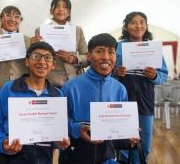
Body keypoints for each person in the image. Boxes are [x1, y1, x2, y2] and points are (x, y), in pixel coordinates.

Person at [0, 41, 70, 164]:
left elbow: (57, 134)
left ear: (53, 65)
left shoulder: (57, 95)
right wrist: (3, 142)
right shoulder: (9, 89)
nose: (42, 62)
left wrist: (59, 142)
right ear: (26, 61)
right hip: (11, 159)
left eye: (48, 58)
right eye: (36, 56)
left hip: (44, 159)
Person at [58, 33, 137, 164]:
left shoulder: (120, 89)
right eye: (99, 51)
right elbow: (59, 121)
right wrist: (77, 129)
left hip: (107, 154)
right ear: (88, 56)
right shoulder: (70, 87)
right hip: (74, 152)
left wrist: (128, 133)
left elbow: (120, 125)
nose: (106, 57)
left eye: (111, 52)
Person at [113, 11, 168, 164]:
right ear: (125, 26)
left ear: (146, 25)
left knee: (144, 141)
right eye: (133, 22)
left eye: (142, 22)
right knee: (122, 140)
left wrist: (155, 75)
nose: (138, 25)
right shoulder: (117, 48)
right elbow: (106, 71)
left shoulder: (153, 48)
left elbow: (163, 74)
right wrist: (115, 72)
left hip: (145, 99)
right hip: (122, 98)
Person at [0, 5, 30, 163]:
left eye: (16, 16)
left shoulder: (27, 39)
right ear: (1, 17)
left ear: (20, 20)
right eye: (8, 15)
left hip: (20, 90)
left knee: (22, 130)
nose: (12, 19)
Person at [31, 0, 88, 87]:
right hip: (49, 82)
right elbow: (34, 58)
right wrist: (32, 46)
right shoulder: (40, 31)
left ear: (69, 12)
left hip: (74, 82)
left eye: (65, 7)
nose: (60, 9)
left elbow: (87, 57)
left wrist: (74, 58)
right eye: (57, 6)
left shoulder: (77, 30)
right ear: (51, 11)